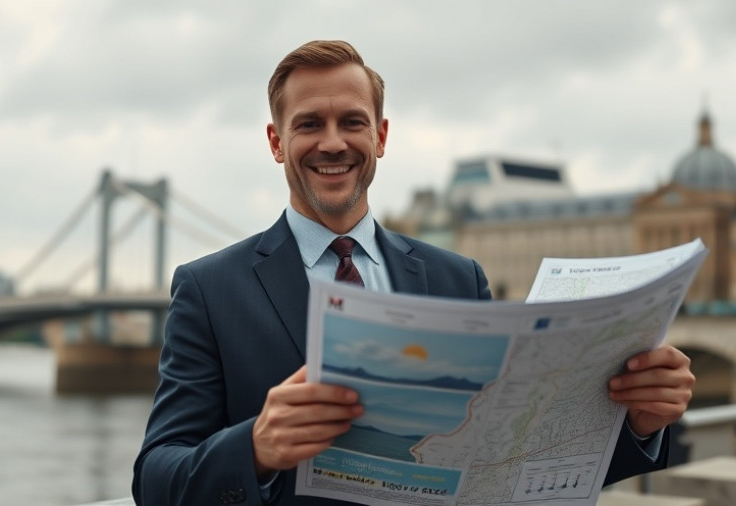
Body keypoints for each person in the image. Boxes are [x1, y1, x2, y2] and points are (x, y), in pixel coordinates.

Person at [132, 40, 695, 506]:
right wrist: (253, 448)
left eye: (352, 122)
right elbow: (154, 478)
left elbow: (516, 458)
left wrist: (642, 425)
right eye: (309, 124)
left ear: (380, 136)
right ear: (278, 143)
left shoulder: (459, 278)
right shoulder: (209, 289)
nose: (333, 142)